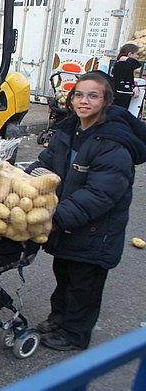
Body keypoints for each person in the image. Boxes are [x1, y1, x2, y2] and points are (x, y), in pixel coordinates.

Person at [28, 71, 146, 351]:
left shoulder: (113, 143)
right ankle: (59, 319)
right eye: (79, 94)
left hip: (95, 232)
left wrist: (55, 217)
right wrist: (22, 184)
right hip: (69, 226)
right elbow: (45, 164)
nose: (84, 101)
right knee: (64, 275)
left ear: (107, 101)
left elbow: (100, 194)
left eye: (93, 96)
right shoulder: (69, 131)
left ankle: (75, 334)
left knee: (84, 286)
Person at [111, 43, 141, 110]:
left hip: (118, 91)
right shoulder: (127, 64)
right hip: (124, 92)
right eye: (136, 54)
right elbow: (137, 64)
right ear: (130, 54)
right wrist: (126, 58)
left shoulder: (117, 63)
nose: (137, 57)